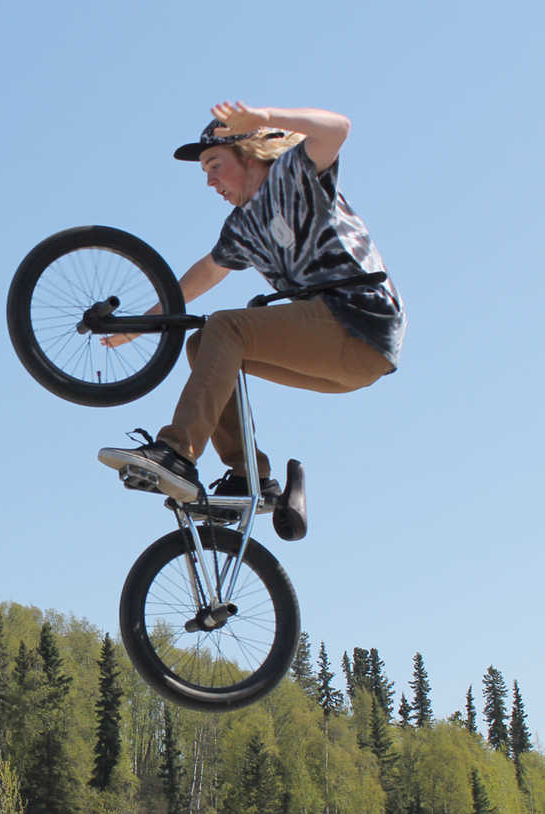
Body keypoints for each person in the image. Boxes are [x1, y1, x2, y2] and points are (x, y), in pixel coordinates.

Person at [98, 101, 406, 529]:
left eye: (215, 165)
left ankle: (176, 453)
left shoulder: (292, 175)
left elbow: (338, 128)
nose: (209, 181)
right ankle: (250, 477)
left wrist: (263, 118)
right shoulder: (242, 226)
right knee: (205, 342)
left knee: (228, 327)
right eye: (204, 173)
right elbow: (207, 272)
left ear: (249, 153)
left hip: (358, 320)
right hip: (347, 359)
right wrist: (144, 323)